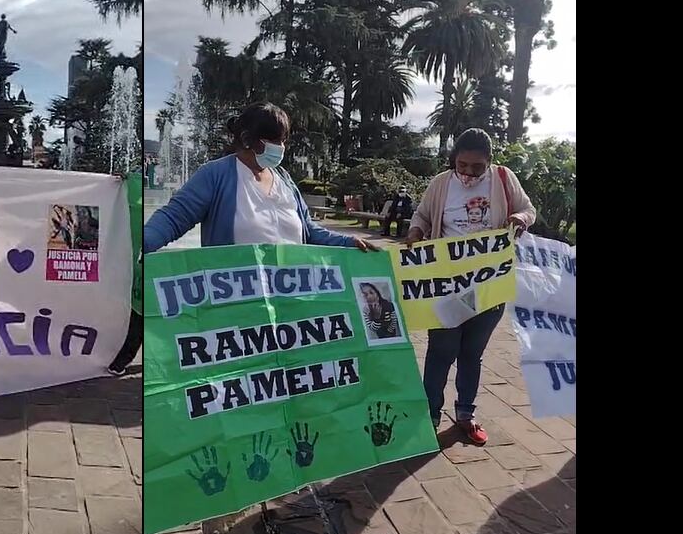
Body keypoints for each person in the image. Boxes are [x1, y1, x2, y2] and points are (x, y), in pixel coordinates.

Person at [405, 128, 537, 445]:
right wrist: (415, 232)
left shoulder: (504, 179)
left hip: (488, 285)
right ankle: (430, 415)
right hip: (447, 286)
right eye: (461, 165)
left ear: (489, 163)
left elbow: (529, 210)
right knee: (441, 352)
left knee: (471, 354)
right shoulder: (441, 183)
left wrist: (519, 217)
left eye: (477, 167)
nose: (467, 173)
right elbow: (422, 215)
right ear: (454, 160)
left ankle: (466, 414)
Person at [144, 102, 378, 253]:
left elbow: (309, 230)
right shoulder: (215, 175)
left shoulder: (284, 180)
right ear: (248, 139)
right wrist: (139, 246)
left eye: (284, 140)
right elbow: (173, 218)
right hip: (239, 303)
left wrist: (348, 242)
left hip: (292, 300)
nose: (282, 147)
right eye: (276, 140)